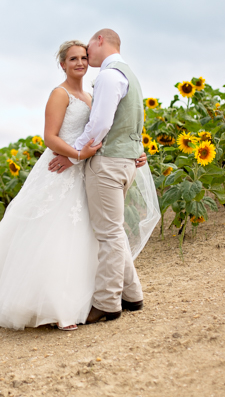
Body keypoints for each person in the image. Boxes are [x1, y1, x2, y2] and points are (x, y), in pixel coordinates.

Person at [0, 40, 155, 330]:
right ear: (63, 64)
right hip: (61, 169)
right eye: (73, 59)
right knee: (56, 234)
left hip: (83, 168)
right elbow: (50, 137)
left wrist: (130, 151)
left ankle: (105, 297)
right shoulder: (60, 93)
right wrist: (75, 155)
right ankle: (54, 307)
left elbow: (107, 129)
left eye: (83, 57)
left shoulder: (92, 96)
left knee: (95, 233)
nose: (80, 63)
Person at [48, 29, 157, 324]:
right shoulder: (128, 73)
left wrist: (73, 156)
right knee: (114, 230)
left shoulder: (109, 76)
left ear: (99, 41)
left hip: (107, 163)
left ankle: (108, 302)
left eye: (86, 53)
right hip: (124, 162)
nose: (86, 59)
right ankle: (132, 295)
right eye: (75, 57)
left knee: (108, 234)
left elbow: (100, 123)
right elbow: (131, 119)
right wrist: (136, 148)